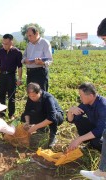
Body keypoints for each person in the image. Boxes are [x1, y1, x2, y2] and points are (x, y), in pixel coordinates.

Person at [80, 18, 106, 180]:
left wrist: (79, 140)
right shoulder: (87, 103)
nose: (104, 44)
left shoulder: (101, 105)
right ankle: (102, 172)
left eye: (105, 39)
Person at [20, 82, 64, 148]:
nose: (32, 98)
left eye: (34, 96)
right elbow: (27, 111)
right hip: (42, 114)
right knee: (23, 116)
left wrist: (35, 127)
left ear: (39, 92)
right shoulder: (31, 97)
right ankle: (42, 129)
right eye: (30, 96)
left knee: (54, 116)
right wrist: (27, 122)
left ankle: (53, 137)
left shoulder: (48, 98)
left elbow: (52, 117)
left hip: (56, 117)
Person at [67, 83, 106, 153]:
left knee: (96, 141)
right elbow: (72, 120)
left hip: (103, 131)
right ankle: (91, 143)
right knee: (79, 120)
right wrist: (70, 111)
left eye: (81, 96)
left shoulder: (103, 106)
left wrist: (78, 139)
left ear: (91, 96)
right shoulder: (86, 103)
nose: (80, 98)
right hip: (97, 127)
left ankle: (100, 151)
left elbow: (100, 131)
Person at [0, 34, 22, 120]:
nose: (4, 45)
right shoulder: (1, 51)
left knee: (11, 96)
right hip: (2, 75)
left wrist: (19, 78)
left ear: (11, 42)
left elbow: (20, 66)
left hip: (11, 76)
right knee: (1, 95)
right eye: (3, 43)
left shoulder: (17, 52)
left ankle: (11, 114)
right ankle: (1, 113)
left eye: (6, 43)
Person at [21, 26, 53, 91]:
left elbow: (50, 59)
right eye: (28, 36)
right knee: (31, 93)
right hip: (30, 73)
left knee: (41, 94)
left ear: (37, 33)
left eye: (30, 35)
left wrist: (42, 63)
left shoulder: (45, 43)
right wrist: (25, 60)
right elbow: (23, 57)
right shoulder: (29, 44)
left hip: (40, 72)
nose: (29, 38)